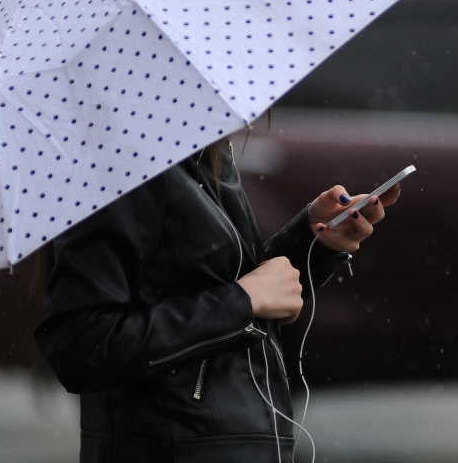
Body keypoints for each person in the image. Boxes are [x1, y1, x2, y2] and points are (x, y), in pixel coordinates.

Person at [34, 138, 400, 462]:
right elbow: (87, 345)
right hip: (177, 446)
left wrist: (312, 243)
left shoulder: (202, 153)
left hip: (239, 441)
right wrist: (241, 301)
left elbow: (215, 284)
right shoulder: (122, 165)